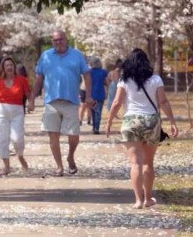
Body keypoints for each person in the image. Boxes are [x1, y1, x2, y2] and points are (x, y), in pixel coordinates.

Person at [106, 48, 178, 209]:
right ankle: (148, 198)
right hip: (151, 121)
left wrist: (109, 122)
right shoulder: (155, 79)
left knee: (135, 163)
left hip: (130, 121)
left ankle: (138, 200)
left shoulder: (124, 80)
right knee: (148, 163)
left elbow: (117, 102)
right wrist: (172, 121)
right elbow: (163, 102)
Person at [28, 30, 93, 176]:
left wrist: (88, 96)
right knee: (53, 135)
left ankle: (70, 156)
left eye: (61, 39)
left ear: (66, 39)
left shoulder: (77, 55)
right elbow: (39, 79)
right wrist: (32, 99)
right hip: (51, 101)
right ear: (52, 41)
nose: (58, 42)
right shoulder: (46, 56)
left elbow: (87, 76)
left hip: (71, 101)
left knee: (74, 136)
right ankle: (59, 166)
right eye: (55, 40)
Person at [0, 57, 31, 176]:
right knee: (2, 139)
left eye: (11, 65)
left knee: (17, 138)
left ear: (14, 67)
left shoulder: (22, 80)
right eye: (7, 65)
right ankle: (6, 167)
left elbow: (28, 94)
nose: (9, 67)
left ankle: (20, 156)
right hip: (2, 111)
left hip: (17, 111)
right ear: (3, 68)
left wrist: (32, 103)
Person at [88, 56, 109, 134]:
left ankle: (94, 127)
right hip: (100, 93)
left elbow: (86, 83)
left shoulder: (89, 72)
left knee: (93, 111)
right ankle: (97, 128)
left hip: (91, 94)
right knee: (98, 111)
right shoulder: (104, 72)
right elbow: (107, 83)